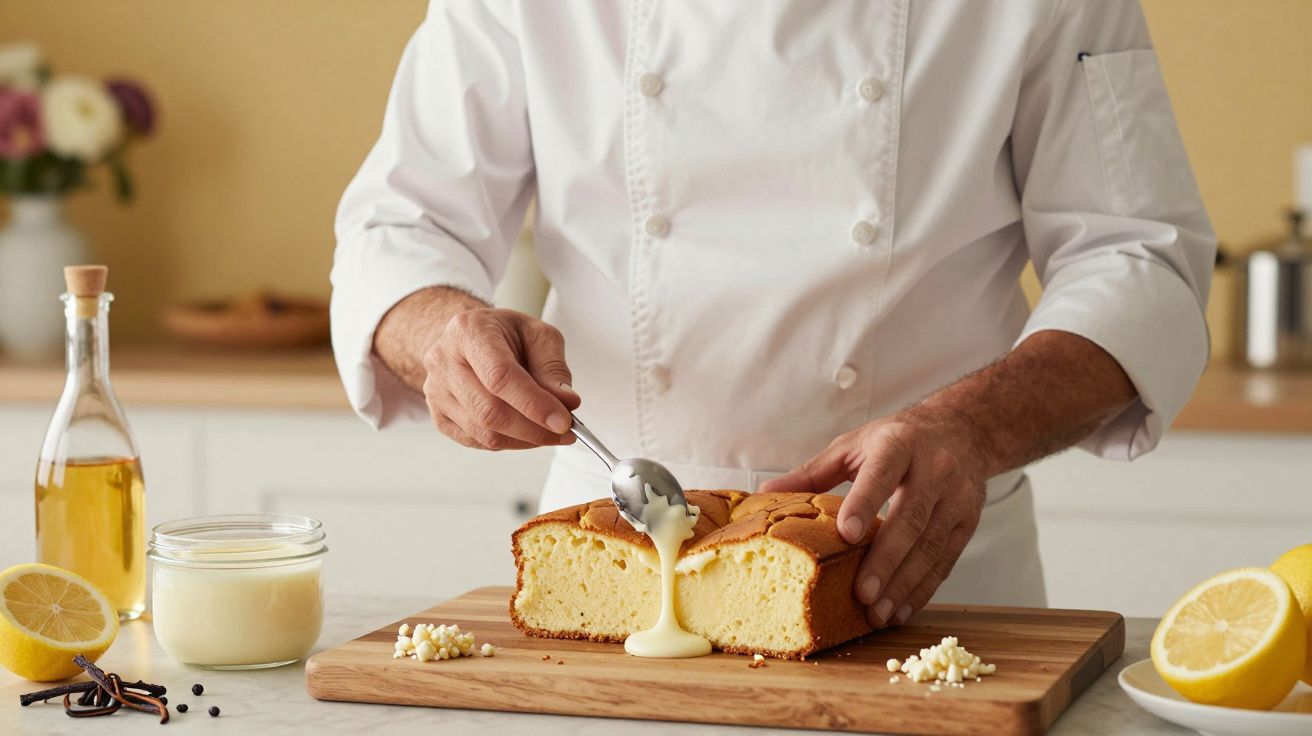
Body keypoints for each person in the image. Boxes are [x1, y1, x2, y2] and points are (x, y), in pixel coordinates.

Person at [331, 0, 1213, 627]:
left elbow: (1137, 257)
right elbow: (402, 228)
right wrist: (440, 334)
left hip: (919, 566)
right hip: (614, 554)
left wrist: (966, 432)